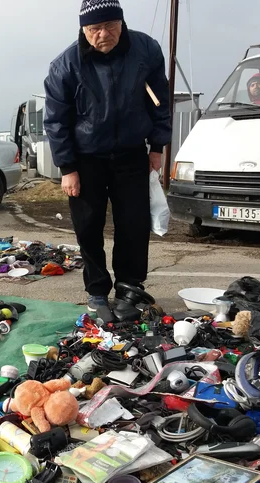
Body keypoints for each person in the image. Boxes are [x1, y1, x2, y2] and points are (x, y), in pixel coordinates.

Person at [44, 0, 171, 322]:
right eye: (94, 29)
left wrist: (157, 146)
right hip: (86, 159)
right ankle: (97, 291)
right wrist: (67, 168)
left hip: (131, 153)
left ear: (121, 22)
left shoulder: (145, 50)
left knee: (134, 223)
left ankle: (130, 287)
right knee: (88, 227)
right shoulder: (65, 65)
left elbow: (160, 100)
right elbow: (56, 121)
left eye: (110, 26)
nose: (103, 35)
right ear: (83, 29)